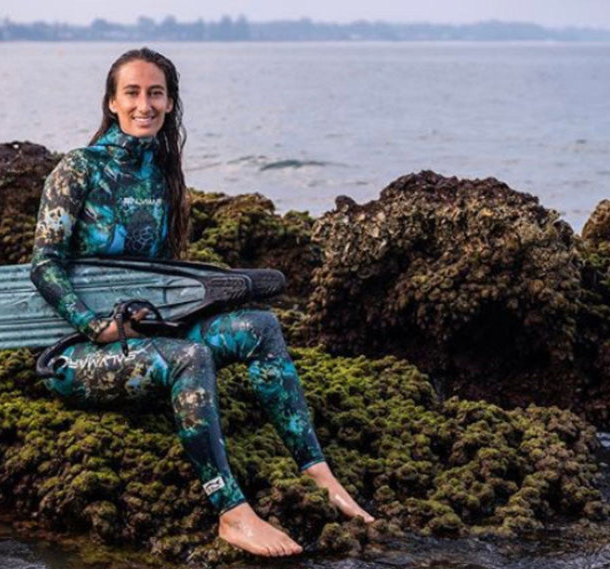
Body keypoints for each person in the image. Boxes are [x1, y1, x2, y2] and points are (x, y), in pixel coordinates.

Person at [30, 47, 373, 558]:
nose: (144, 104)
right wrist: (93, 323)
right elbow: (44, 265)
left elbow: (164, 278)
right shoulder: (79, 170)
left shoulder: (162, 175)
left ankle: (317, 470)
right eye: (132, 93)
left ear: (170, 104)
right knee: (193, 356)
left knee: (259, 326)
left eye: (155, 93)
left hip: (149, 338)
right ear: (111, 102)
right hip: (76, 354)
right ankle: (231, 512)